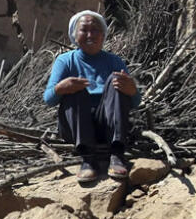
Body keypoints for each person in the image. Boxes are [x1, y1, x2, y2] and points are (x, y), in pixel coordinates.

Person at [43, 10, 140, 182]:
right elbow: (48, 99)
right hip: (77, 127)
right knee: (75, 88)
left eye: (95, 30)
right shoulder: (65, 61)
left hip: (108, 125)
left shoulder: (114, 61)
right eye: (84, 30)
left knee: (116, 80)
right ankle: (87, 158)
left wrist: (132, 90)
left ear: (103, 35)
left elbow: (135, 102)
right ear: (74, 35)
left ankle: (116, 153)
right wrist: (60, 88)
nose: (90, 34)